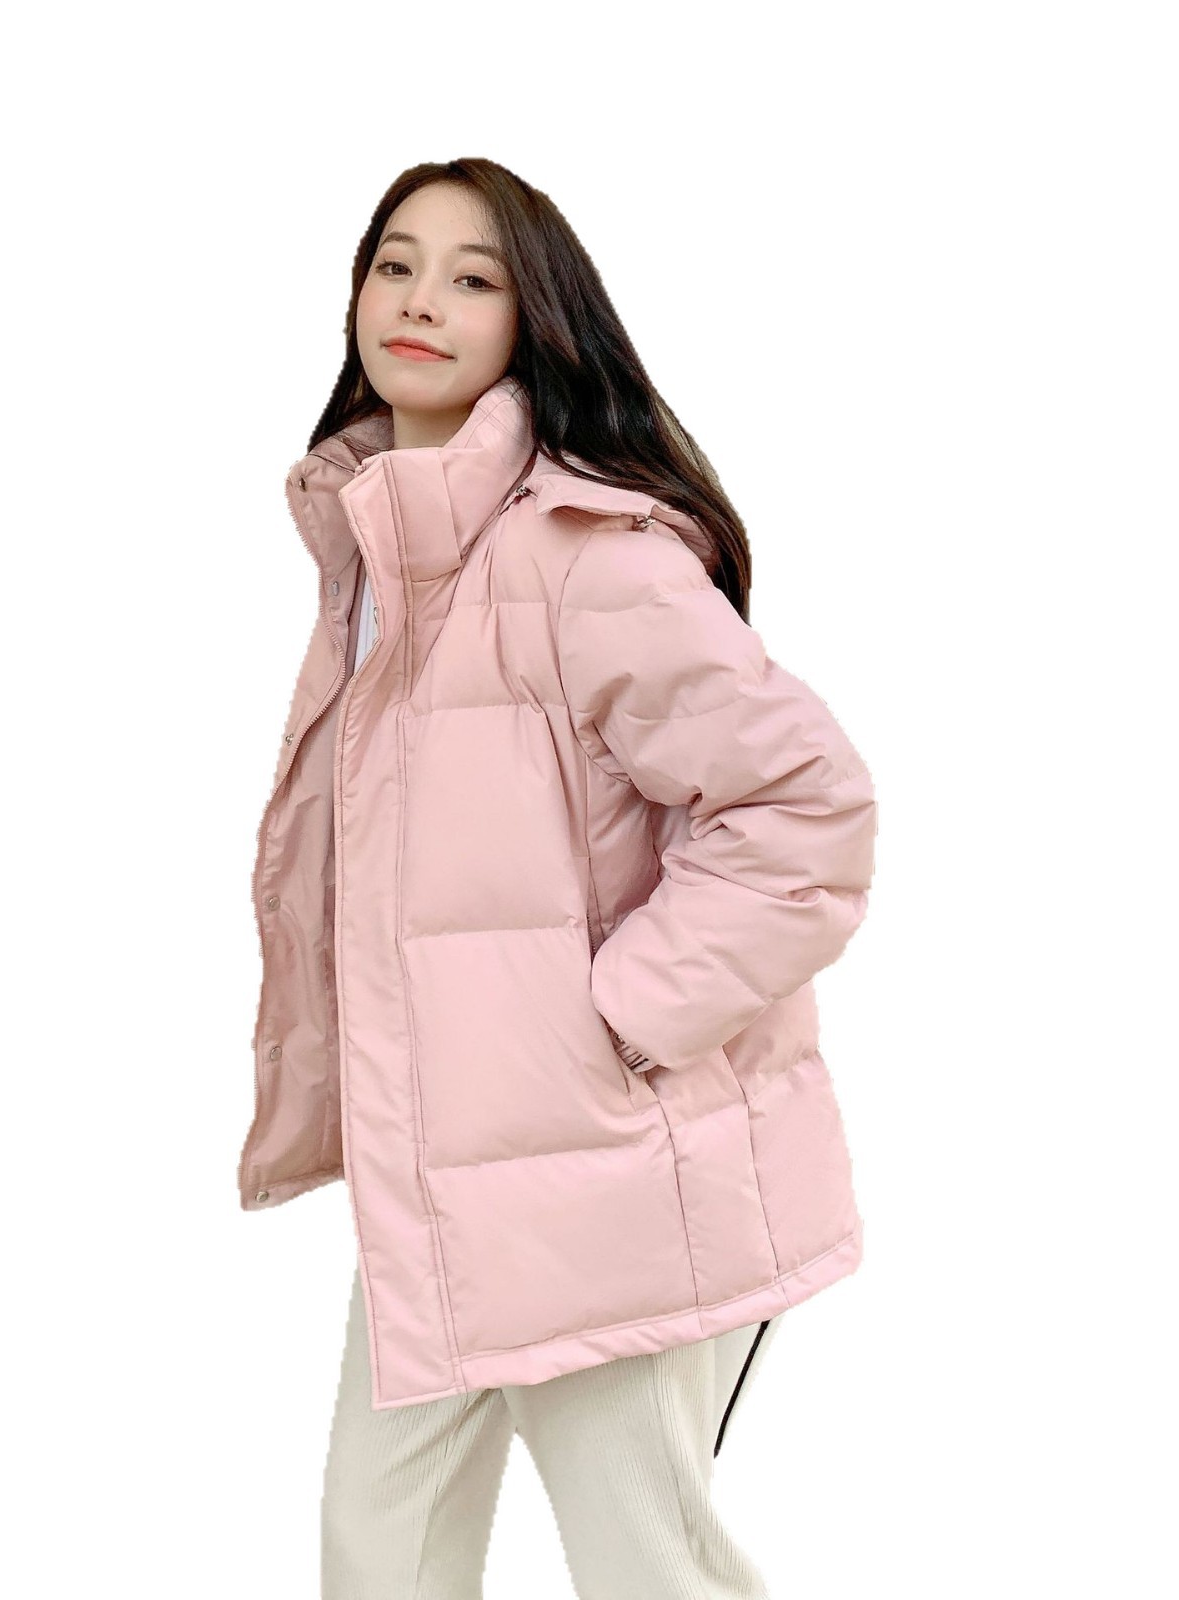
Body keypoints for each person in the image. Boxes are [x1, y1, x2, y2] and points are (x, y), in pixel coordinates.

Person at [238, 158, 879, 1599]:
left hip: (615, 1181)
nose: (420, 301)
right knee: (378, 1550)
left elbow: (807, 809)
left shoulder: (589, 557)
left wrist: (618, 1021)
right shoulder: (384, 554)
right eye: (395, 265)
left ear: (535, 323)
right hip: (444, 1177)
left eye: (474, 279)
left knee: (646, 1567)